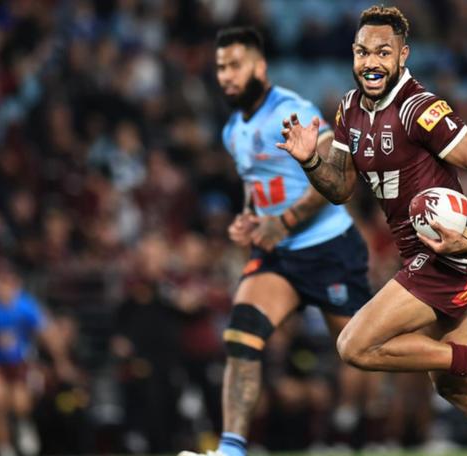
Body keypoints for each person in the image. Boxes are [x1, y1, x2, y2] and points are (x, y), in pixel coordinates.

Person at [276, 6, 467, 455]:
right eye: (363, 51)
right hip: (423, 258)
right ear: (353, 54)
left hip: (447, 256)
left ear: (403, 55)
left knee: (354, 346)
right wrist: (311, 160)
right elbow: (342, 187)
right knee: (461, 391)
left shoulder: (417, 108)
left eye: (383, 52)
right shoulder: (349, 110)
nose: (372, 61)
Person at [178, 26, 372, 456]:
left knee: (366, 351)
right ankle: (231, 451)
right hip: (278, 257)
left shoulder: (291, 110)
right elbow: (260, 185)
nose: (227, 76)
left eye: (236, 66)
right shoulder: (233, 131)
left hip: (329, 251)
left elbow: (337, 176)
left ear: (260, 67)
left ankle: (463, 361)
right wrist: (250, 220)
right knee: (242, 336)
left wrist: (283, 221)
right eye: (221, 68)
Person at [0, 262, 78, 456]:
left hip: (18, 363)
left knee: (20, 403)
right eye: (1, 284)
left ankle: (24, 424)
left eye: (9, 284)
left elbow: (49, 333)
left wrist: (61, 361)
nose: (5, 289)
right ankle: (4, 448)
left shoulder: (25, 307)